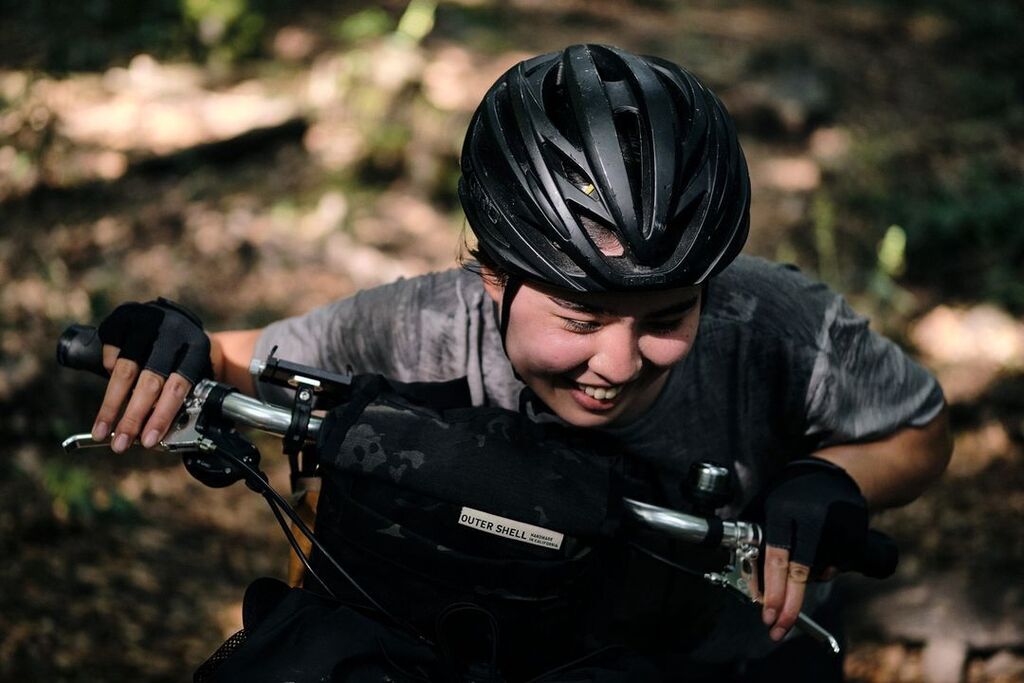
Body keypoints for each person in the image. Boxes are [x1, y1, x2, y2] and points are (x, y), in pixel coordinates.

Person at [87, 44, 951, 679]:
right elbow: (242, 360)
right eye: (579, 315)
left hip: (704, 649)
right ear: (493, 275)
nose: (616, 360)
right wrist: (175, 341)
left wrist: (829, 477)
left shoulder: (772, 319)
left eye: (665, 316)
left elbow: (919, 429)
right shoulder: (424, 321)